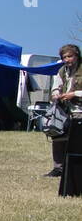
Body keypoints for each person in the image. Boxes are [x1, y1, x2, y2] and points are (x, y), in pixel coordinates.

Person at [45, 43, 82, 178]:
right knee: (57, 137)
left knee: (77, 141)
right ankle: (58, 168)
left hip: (79, 110)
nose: (67, 59)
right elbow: (56, 86)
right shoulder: (62, 70)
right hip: (64, 110)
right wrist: (56, 94)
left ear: (76, 55)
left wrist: (74, 94)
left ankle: (75, 169)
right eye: (64, 57)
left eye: (70, 56)